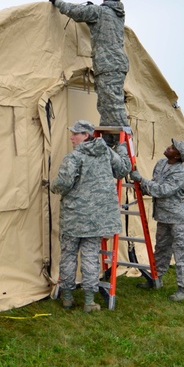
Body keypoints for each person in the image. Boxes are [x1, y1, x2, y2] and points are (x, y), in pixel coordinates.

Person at [50, 120, 132, 312]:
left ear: (86, 135)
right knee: (90, 257)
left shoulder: (73, 158)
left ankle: (68, 298)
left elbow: (63, 184)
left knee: (69, 256)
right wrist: (122, 148)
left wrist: (52, 186)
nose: (71, 137)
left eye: (75, 134)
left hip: (74, 218)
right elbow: (122, 170)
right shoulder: (106, 153)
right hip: (96, 219)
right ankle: (89, 301)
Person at [49, 0, 129, 129]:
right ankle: (109, 138)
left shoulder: (99, 12)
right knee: (105, 102)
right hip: (115, 64)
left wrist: (58, 3)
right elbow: (103, 26)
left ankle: (123, 139)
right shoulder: (118, 16)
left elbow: (74, 11)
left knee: (113, 103)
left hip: (108, 64)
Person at [130, 139, 184, 300]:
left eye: (173, 148)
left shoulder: (180, 173)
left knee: (182, 252)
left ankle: (183, 289)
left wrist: (141, 180)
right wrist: (143, 187)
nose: (168, 147)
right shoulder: (161, 164)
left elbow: (163, 190)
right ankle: (156, 278)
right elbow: (154, 184)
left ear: (178, 156)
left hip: (180, 218)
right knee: (161, 248)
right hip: (164, 216)